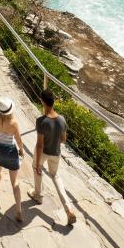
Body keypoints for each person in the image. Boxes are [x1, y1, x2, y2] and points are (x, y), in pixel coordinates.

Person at [29, 88, 77, 225]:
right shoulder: (62, 120)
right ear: (54, 101)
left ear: (42, 102)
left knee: (36, 169)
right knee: (55, 176)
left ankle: (38, 195)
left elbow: (39, 145)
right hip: (55, 153)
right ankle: (68, 208)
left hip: (43, 152)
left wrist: (38, 163)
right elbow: (63, 139)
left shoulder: (41, 121)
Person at [0, 96, 25, 224]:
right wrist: (21, 150)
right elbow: (19, 141)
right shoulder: (14, 123)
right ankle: (19, 211)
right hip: (10, 152)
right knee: (14, 182)